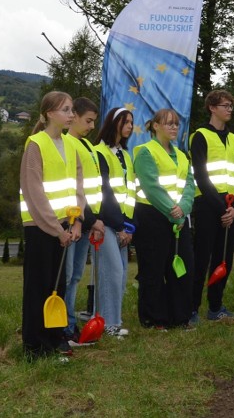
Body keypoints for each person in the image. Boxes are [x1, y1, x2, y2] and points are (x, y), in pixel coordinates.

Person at [19, 91, 85, 359]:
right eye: (66, 110)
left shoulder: (71, 145)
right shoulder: (36, 144)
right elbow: (34, 191)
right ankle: (35, 347)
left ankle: (56, 339)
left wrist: (78, 221)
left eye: (72, 110)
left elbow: (78, 186)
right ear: (48, 114)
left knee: (57, 286)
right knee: (39, 287)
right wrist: (57, 230)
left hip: (66, 227)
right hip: (41, 227)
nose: (71, 115)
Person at [132, 109, 196, 329]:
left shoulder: (181, 154)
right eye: (168, 124)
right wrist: (173, 211)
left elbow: (189, 185)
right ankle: (154, 318)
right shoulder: (145, 152)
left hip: (178, 217)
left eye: (176, 124)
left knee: (181, 268)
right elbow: (151, 187)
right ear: (155, 126)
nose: (173, 128)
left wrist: (184, 208)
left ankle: (180, 317)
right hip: (152, 217)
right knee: (153, 269)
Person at [190, 90, 234, 323]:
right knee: (201, 259)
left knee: (224, 260)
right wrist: (222, 208)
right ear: (212, 108)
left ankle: (216, 307)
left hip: (230, 207)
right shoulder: (200, 136)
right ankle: (191, 309)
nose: (229, 109)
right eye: (225, 105)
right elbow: (201, 177)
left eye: (231, 106)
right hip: (206, 204)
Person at [93, 107, 137, 337]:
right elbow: (105, 192)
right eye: (126, 121)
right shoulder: (100, 152)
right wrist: (120, 226)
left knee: (120, 274)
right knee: (112, 272)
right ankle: (108, 324)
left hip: (123, 225)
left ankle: (113, 321)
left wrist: (130, 227)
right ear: (114, 123)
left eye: (131, 122)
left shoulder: (125, 154)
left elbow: (131, 192)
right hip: (107, 222)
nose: (130, 126)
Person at [62, 97, 103, 345]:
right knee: (66, 276)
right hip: (72, 220)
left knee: (76, 275)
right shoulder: (66, 144)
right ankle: (64, 325)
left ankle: (70, 322)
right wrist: (78, 219)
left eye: (93, 122)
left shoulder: (87, 145)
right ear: (73, 116)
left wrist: (95, 219)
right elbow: (73, 187)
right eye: (87, 121)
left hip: (88, 221)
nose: (90, 126)